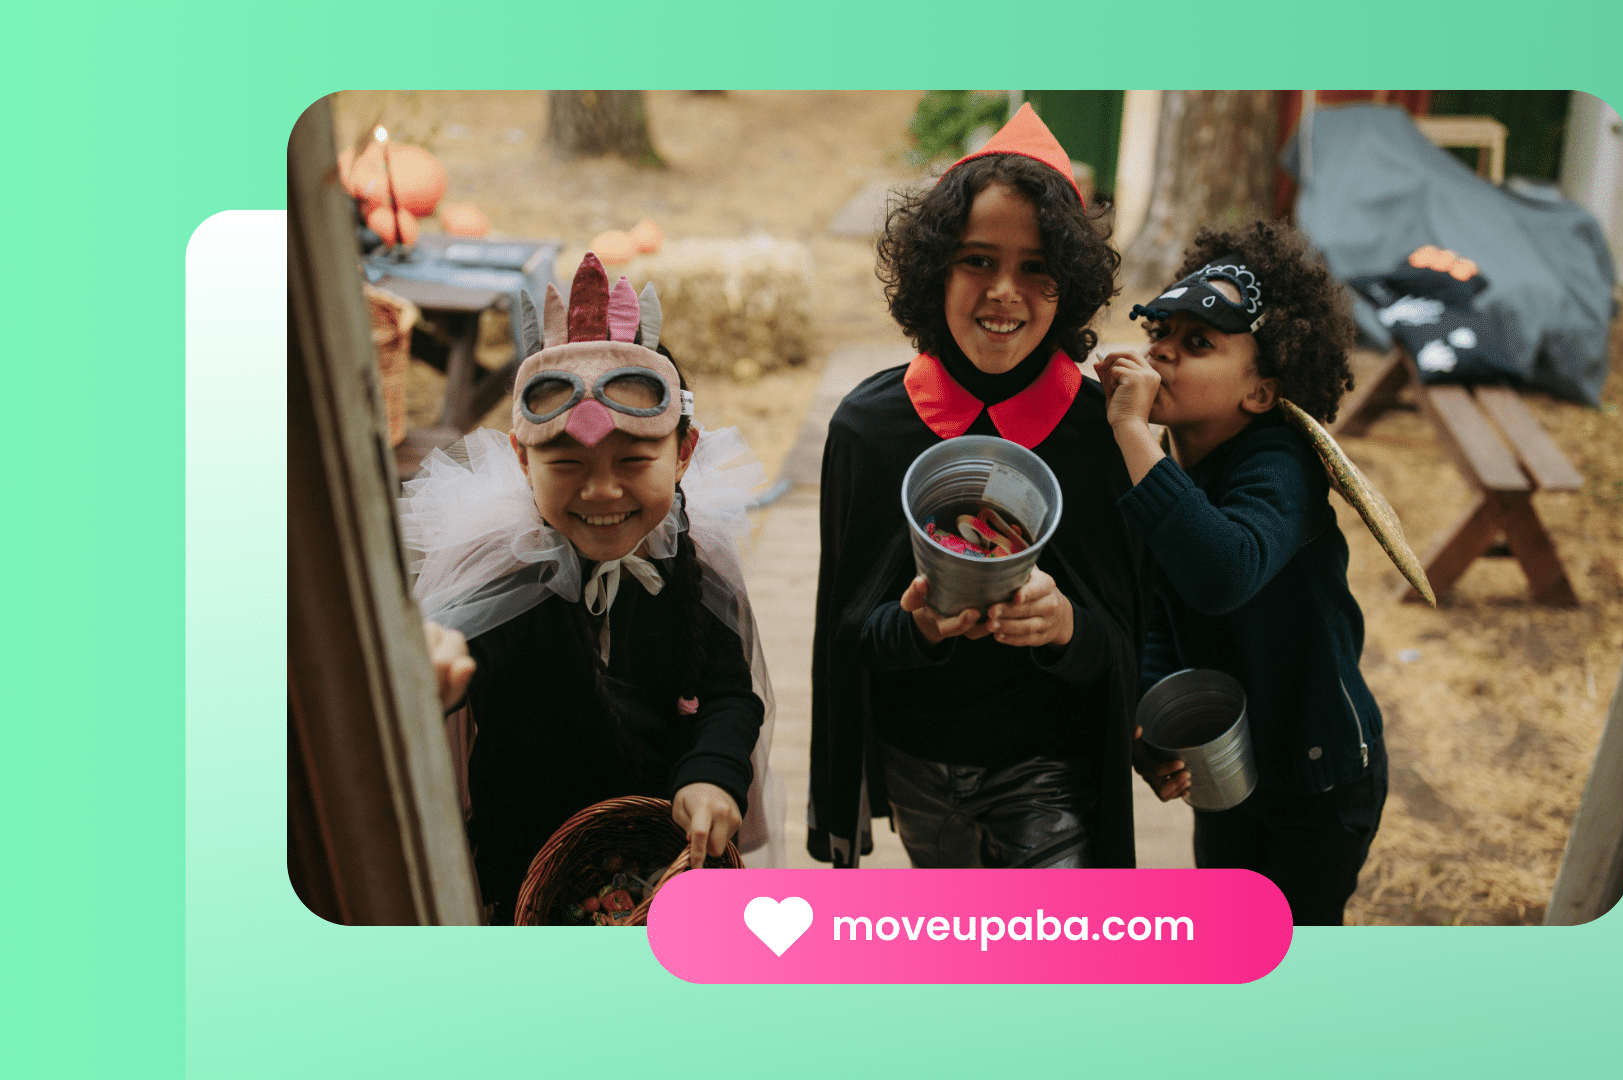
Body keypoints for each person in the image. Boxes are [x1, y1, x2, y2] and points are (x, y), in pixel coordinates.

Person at [808, 105, 1145, 869]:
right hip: (918, 770)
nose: (1004, 291)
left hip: (1051, 774)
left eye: (1036, 267)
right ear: (933, 268)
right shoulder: (870, 430)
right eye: (977, 260)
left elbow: (1127, 646)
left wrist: (1066, 627)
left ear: (1072, 283)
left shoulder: (1101, 437)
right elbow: (850, 639)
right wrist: (920, 627)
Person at [1095, 222, 1446, 923]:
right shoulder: (1161, 469)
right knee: (1232, 936)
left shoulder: (1278, 466)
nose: (1162, 350)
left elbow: (1222, 572)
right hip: (1234, 775)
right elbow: (1159, 609)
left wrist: (1132, 436)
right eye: (1162, 330)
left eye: (1199, 344)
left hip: (1323, 781)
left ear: (1260, 392)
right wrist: (1156, 715)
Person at [407, 254, 772, 921]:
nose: (602, 491)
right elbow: (442, 656)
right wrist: (431, 670)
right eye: (567, 463)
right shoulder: (504, 579)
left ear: (683, 451)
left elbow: (727, 691)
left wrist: (711, 775)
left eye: (634, 461)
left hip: (662, 873)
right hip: (524, 884)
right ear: (523, 458)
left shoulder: (689, 561)